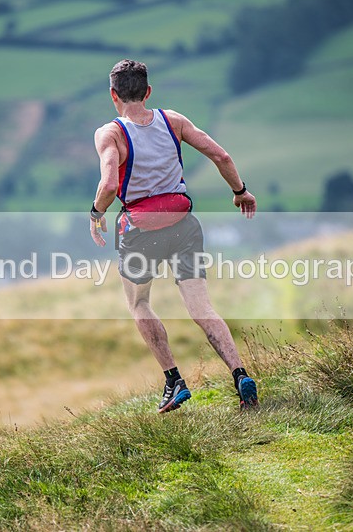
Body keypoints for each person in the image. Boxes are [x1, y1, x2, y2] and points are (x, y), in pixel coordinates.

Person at [89, 59, 259, 412]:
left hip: (140, 232)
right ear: (148, 91)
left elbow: (108, 183)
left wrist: (96, 214)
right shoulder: (173, 121)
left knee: (139, 303)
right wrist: (240, 191)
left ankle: (174, 381)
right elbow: (220, 155)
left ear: (113, 95)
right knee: (202, 307)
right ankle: (240, 374)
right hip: (184, 226)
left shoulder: (111, 133)